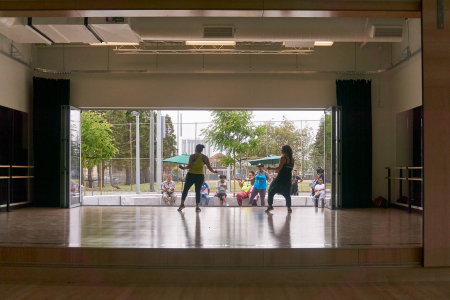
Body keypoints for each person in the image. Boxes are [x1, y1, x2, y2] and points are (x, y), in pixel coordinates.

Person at [178, 144, 218, 212]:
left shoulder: (192, 156)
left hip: (191, 175)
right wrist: (214, 171)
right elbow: (209, 167)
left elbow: (190, 166)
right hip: (200, 176)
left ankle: (182, 204)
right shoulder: (205, 157)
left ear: (196, 149)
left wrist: (183, 168)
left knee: (185, 190)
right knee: (198, 191)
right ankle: (197, 207)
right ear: (201, 150)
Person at [266, 145, 295, 213]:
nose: (281, 151)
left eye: (282, 149)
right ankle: (289, 207)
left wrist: (270, 168)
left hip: (281, 177)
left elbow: (279, 168)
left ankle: (270, 205)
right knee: (287, 193)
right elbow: (288, 168)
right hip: (287, 177)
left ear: (284, 150)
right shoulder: (292, 159)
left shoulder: (283, 158)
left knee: (271, 189)